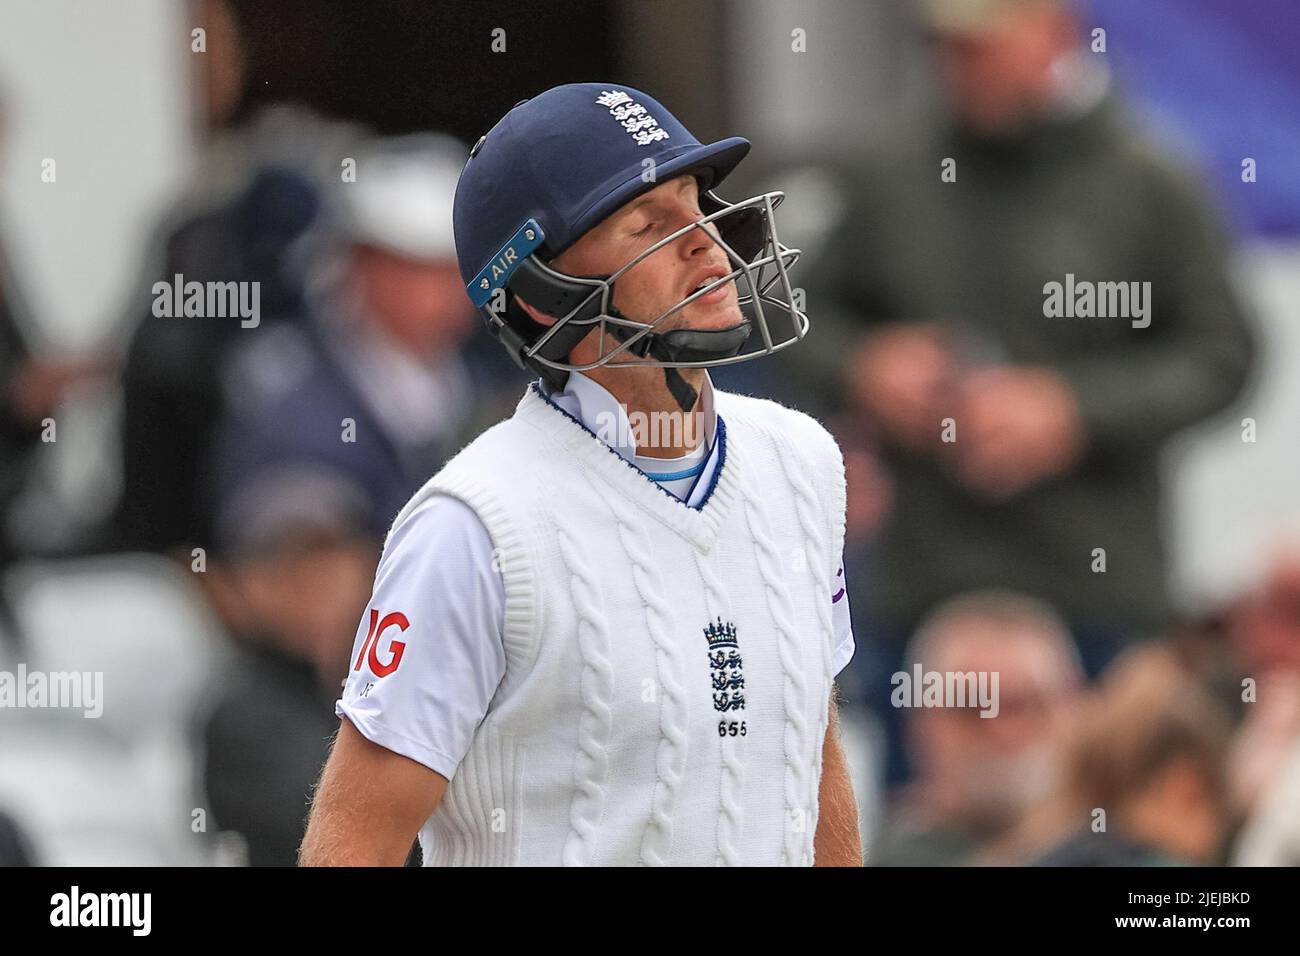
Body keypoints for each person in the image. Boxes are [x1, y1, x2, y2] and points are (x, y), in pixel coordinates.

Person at [301, 83, 861, 866]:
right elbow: (354, 841)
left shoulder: (803, 460)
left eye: (695, 202)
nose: (705, 240)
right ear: (539, 294)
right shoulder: (474, 525)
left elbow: (812, 762)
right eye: (649, 224)